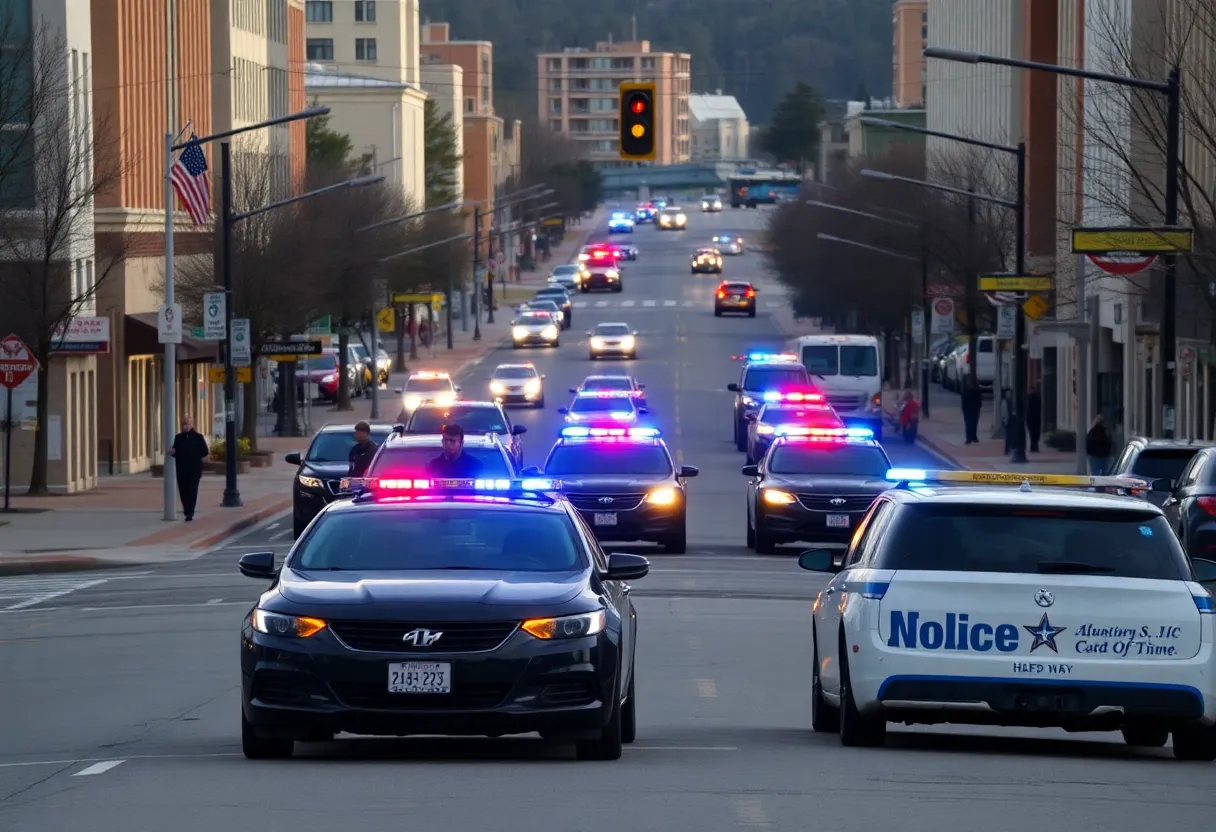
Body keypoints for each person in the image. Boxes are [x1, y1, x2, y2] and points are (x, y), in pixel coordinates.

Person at [168, 414, 209, 521]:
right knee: (183, 490)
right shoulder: (178, 438)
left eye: (188, 423)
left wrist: (194, 454)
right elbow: (175, 450)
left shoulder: (198, 437)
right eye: (184, 424)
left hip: (194, 469)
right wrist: (173, 452)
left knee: (192, 490)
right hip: (181, 469)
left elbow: (205, 451)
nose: (186, 426)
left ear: (192, 424)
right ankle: (186, 509)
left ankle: (190, 511)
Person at [960, 375, 982, 444]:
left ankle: (973, 436)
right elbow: (963, 400)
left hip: (974, 408)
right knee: (968, 423)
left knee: (974, 423)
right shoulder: (965, 389)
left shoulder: (976, 389)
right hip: (968, 408)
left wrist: (979, 405)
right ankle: (969, 437)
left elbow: (979, 398)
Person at [1027, 382, 1043, 452]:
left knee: (1033, 434)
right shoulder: (1037, 397)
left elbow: (1028, 410)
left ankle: (1033, 447)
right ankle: (1035, 447)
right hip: (1036, 419)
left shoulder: (1031, 398)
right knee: (1035, 434)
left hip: (1032, 419)